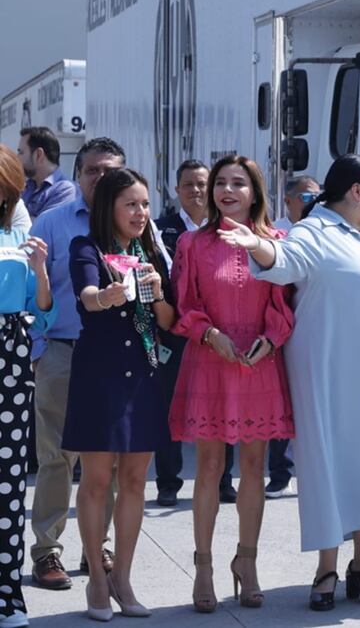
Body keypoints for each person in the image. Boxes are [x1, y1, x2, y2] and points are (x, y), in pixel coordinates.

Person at [220, 154, 360, 611]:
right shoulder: (315, 230)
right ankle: (327, 568)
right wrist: (255, 245)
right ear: (354, 191)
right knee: (330, 468)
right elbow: (284, 261)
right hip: (332, 378)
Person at [168, 155, 294, 612]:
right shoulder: (191, 243)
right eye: (221, 182)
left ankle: (247, 561)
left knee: (255, 469)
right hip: (209, 361)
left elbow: (284, 304)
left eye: (238, 183)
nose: (227, 190)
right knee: (207, 468)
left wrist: (272, 338)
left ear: (255, 192)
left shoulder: (275, 241)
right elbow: (183, 303)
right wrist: (209, 333)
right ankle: (203, 567)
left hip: (258, 363)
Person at [62, 167, 176, 620]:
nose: (141, 213)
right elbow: (88, 296)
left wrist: (159, 292)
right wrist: (109, 296)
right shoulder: (86, 247)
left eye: (145, 204)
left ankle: (122, 579)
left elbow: (168, 321)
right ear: (108, 206)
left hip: (146, 374)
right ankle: (96, 580)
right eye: (131, 203)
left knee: (134, 481)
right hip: (101, 375)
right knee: (95, 480)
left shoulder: (150, 250)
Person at [29, 137, 128, 591]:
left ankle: (97, 546)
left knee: (103, 462)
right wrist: (38, 350)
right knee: (55, 459)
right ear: (78, 174)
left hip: (113, 361)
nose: (101, 179)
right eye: (92, 171)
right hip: (63, 352)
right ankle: (47, 549)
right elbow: (31, 293)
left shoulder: (133, 220)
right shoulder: (51, 223)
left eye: (110, 171)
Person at [153, 159, 238, 507]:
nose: (197, 191)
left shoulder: (230, 230)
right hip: (175, 332)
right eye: (189, 184)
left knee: (224, 406)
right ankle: (168, 483)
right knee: (169, 408)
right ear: (177, 190)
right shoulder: (161, 230)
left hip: (217, 334)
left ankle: (223, 482)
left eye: (203, 184)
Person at [0, 144, 56, 628]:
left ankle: (5, 594)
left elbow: (44, 310)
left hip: (11, 357)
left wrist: (39, 270)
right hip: (11, 355)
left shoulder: (20, 235)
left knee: (9, 479)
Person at [264, 177, 318, 498]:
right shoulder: (276, 233)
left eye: (318, 195)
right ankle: (280, 473)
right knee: (282, 403)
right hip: (282, 326)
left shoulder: (324, 231)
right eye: (307, 196)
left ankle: (311, 472)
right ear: (289, 200)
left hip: (312, 325)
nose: (313, 201)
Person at [17, 127, 77, 219]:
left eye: (21, 152)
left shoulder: (66, 190)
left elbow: (44, 228)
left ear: (38, 154)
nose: (17, 158)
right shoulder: (26, 187)